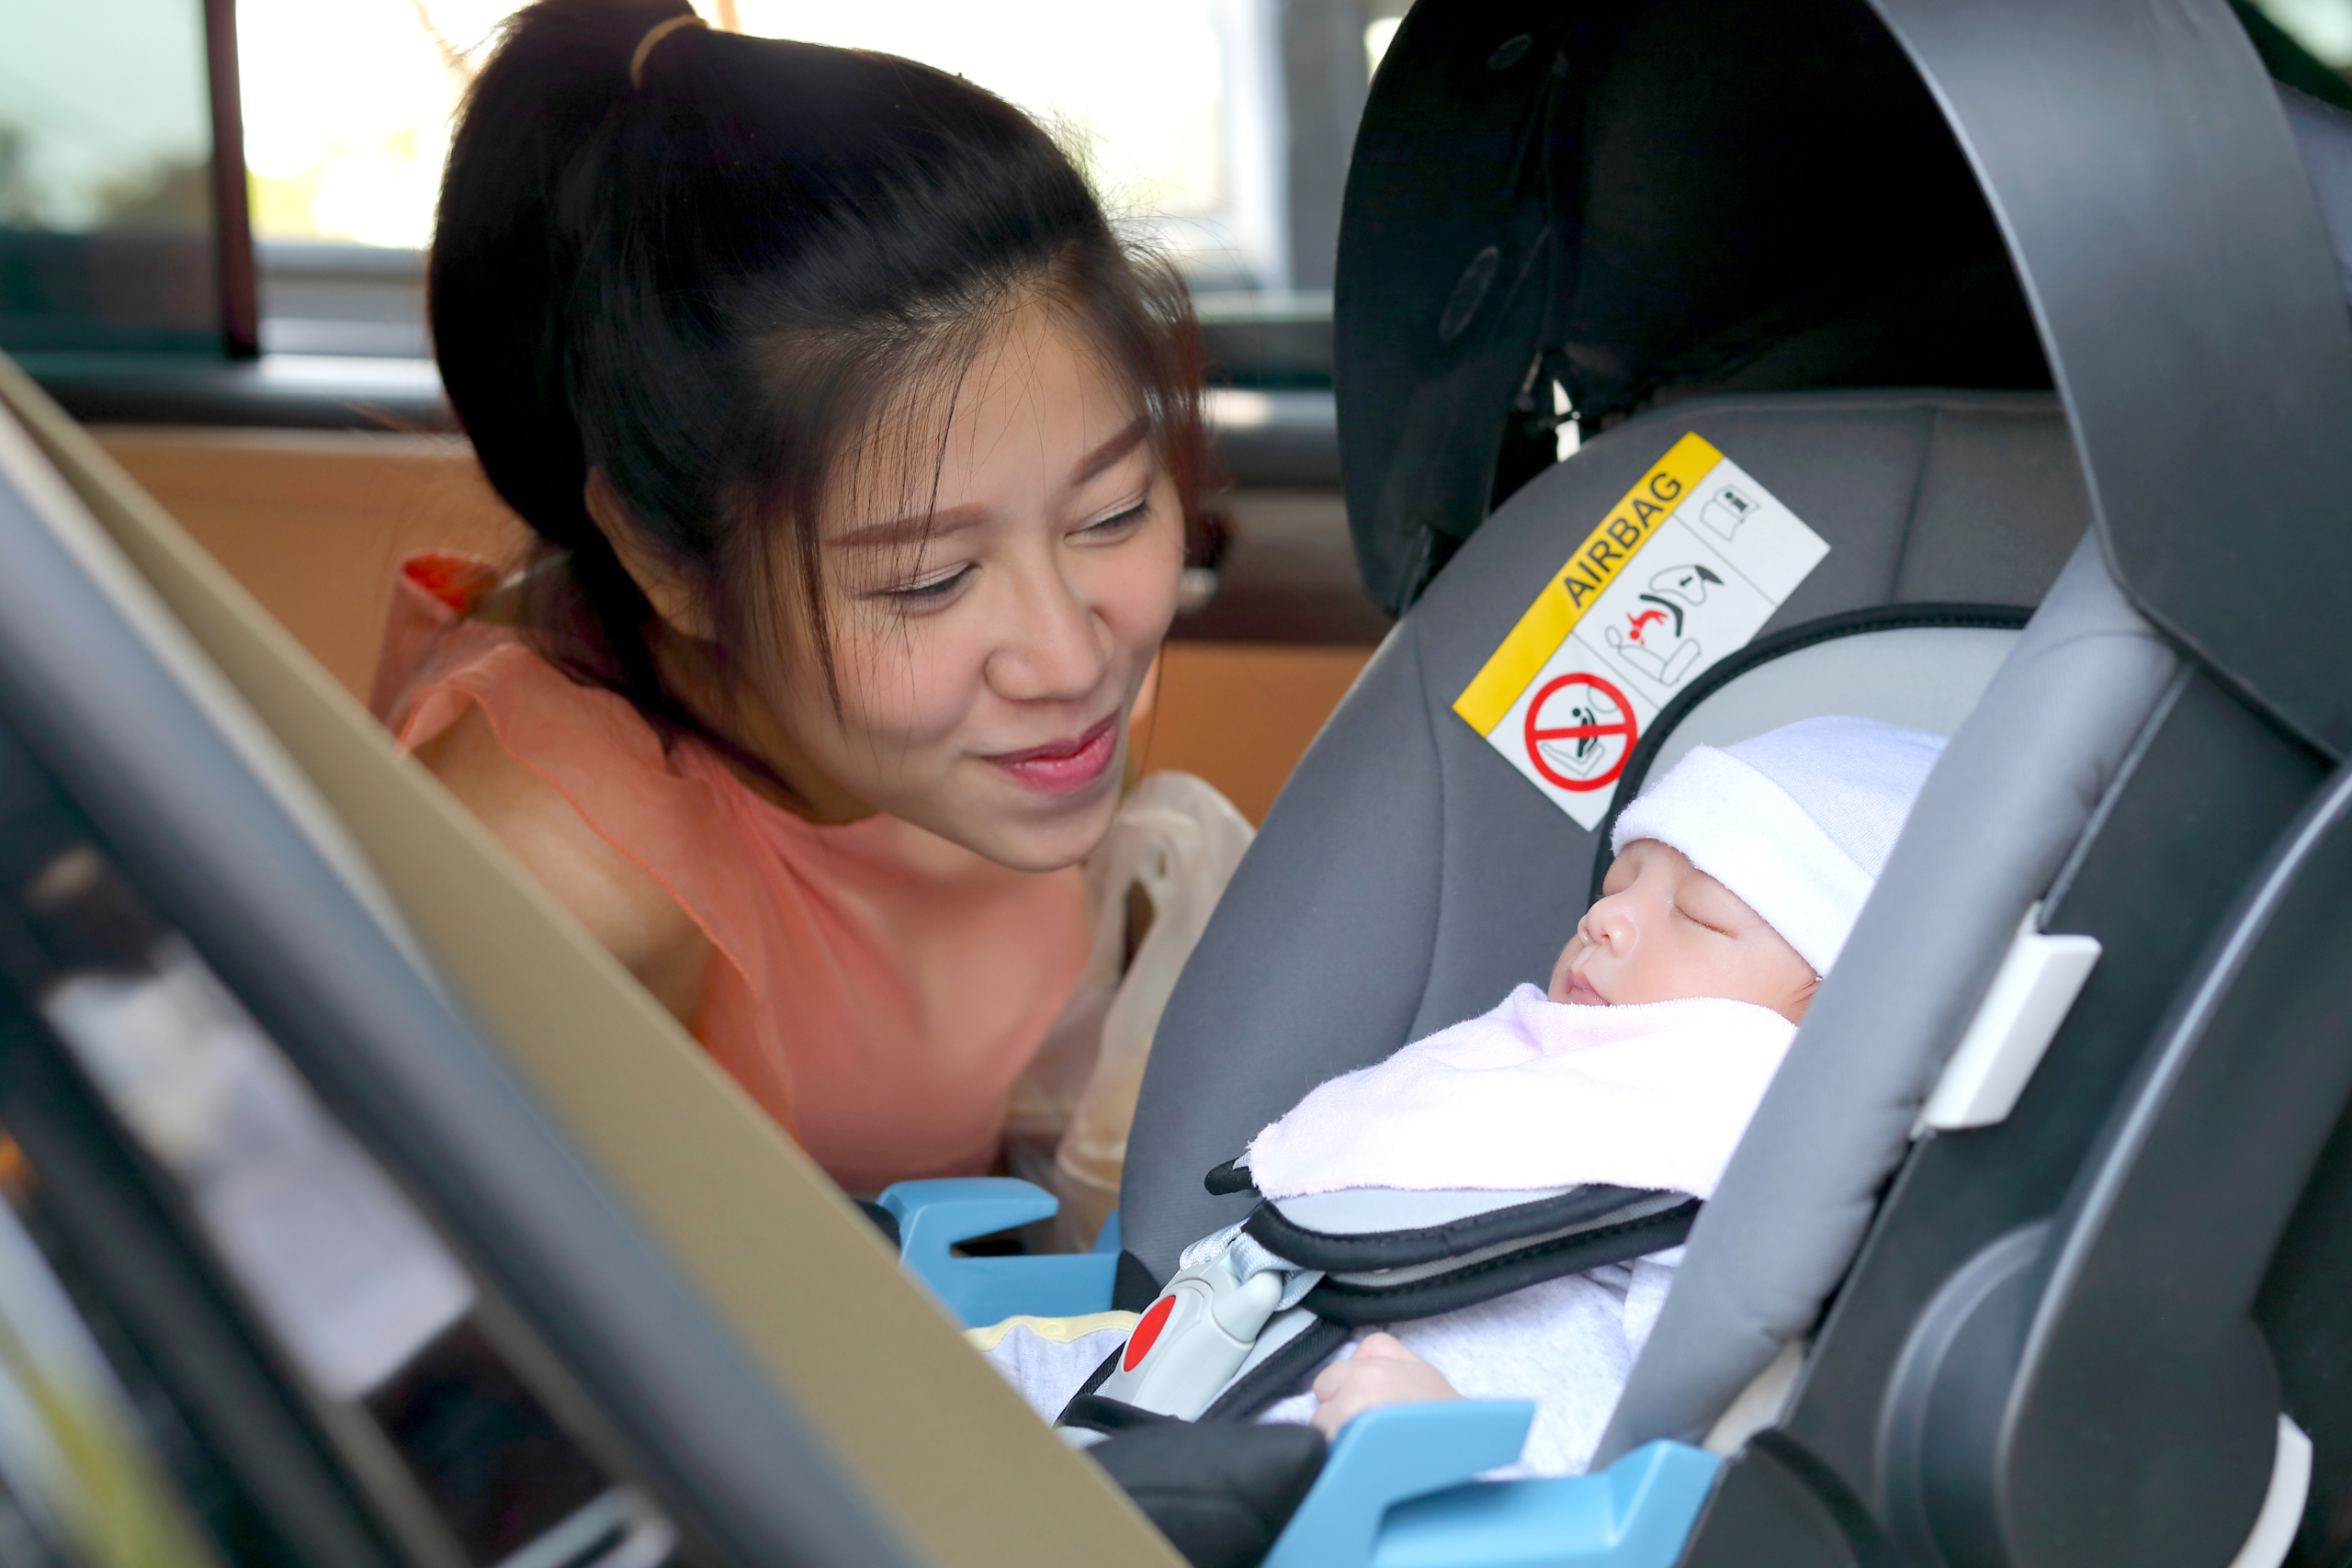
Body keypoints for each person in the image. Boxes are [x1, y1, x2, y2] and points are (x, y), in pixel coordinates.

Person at [370, 0, 1218, 1195]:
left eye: (1113, 510)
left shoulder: (1000, 685)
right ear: (671, 563)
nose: (1069, 656)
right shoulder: (570, 869)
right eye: (931, 579)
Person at [976, 716, 1945, 1476]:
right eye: (1621, 879)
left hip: (1431, 1465)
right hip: (1232, 1360)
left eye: (1694, 915)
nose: (1607, 916)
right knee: (971, 1371)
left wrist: (1477, 1465)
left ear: (1839, 1022)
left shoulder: (1749, 1152)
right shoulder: (1525, 1060)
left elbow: (1689, 1437)